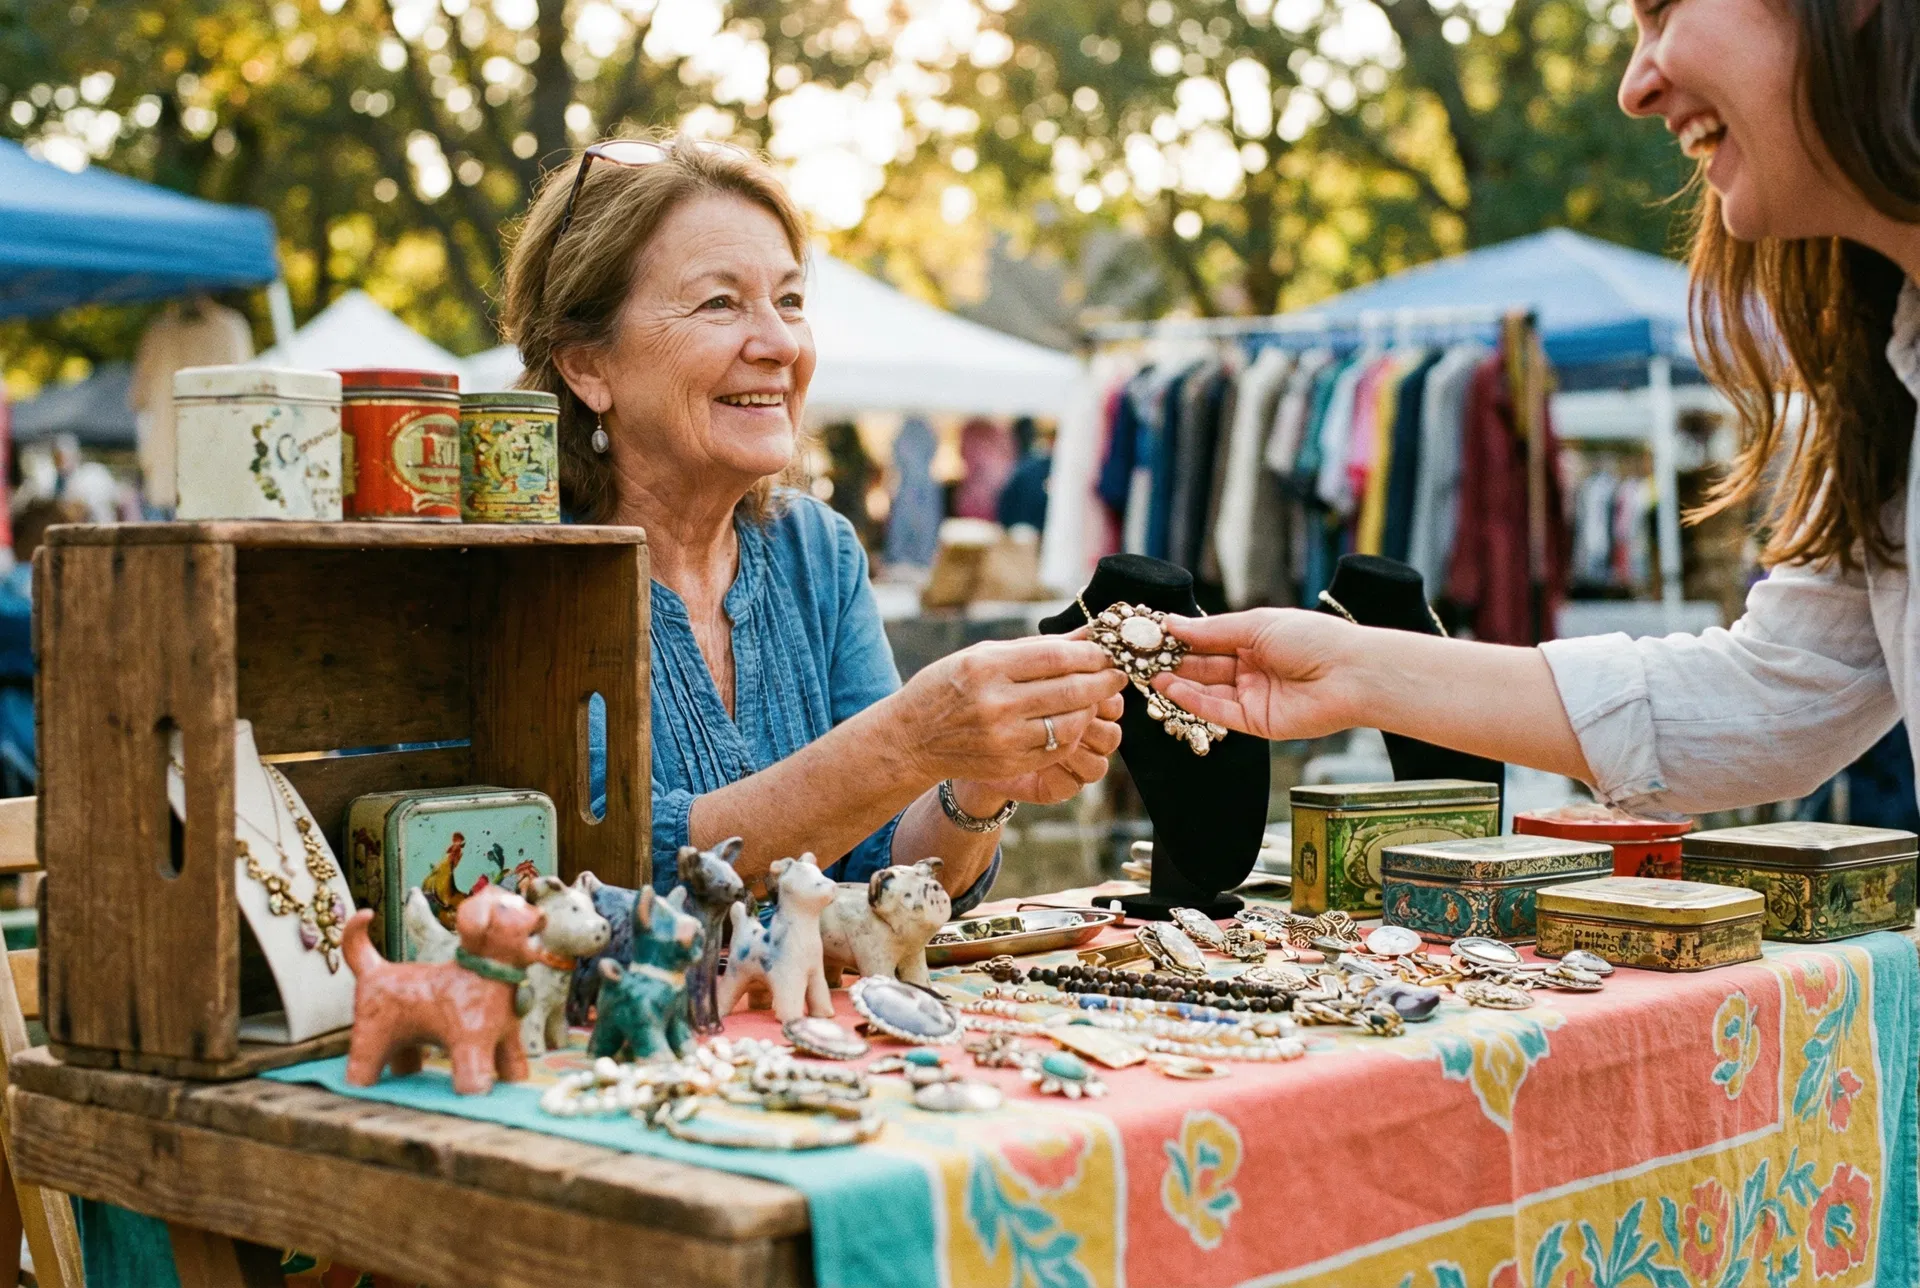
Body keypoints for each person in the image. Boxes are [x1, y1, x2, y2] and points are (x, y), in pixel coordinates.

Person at [1151, 0, 1920, 818]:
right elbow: (1774, 697)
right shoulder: (1884, 381)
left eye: (1661, 11)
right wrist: (1354, 669)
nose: (1635, 86)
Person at [500, 135, 1125, 908]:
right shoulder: (517, 567)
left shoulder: (815, 550)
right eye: (720, 303)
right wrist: (909, 740)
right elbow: (603, 872)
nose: (780, 344)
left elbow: (886, 873)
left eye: (790, 301)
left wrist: (973, 785)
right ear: (586, 365)